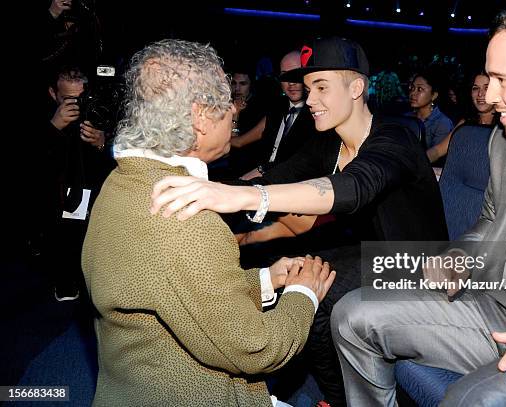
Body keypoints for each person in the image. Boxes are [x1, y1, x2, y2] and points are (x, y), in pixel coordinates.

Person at [331, 0, 506, 405]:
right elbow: (491, 220)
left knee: (467, 401)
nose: (489, 95)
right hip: (499, 307)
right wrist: (459, 255)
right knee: (352, 315)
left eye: (502, 79)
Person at [149, 37, 448, 406]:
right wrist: (190, 178)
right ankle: (335, 394)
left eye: (321, 87)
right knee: (303, 274)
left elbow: (353, 187)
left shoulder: (395, 136)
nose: (309, 100)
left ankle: (340, 399)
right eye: (308, 89)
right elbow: (276, 178)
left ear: (356, 87)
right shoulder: (328, 143)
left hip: (418, 264)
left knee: (317, 294)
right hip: (370, 255)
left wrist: (245, 197)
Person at [81, 39, 336, 406]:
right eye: (227, 101)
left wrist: (267, 278)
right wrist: (303, 293)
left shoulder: (122, 181)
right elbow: (257, 349)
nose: (235, 111)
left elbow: (178, 291)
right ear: (201, 116)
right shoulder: (187, 221)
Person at [41, 65, 112, 301]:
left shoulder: (100, 110)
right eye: (69, 99)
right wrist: (53, 128)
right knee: (66, 240)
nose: (76, 105)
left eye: (81, 98)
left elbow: (118, 159)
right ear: (53, 94)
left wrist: (102, 143)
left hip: (95, 190)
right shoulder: (44, 117)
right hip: (59, 195)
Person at [241, 50, 317, 180]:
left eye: (296, 75)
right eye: (285, 76)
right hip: (257, 176)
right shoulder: (275, 108)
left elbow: (299, 164)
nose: (291, 83)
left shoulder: (317, 115)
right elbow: (246, 145)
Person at [426, 71, 498, 163]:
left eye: (486, 88)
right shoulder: (466, 123)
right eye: (475, 88)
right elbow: (438, 150)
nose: (480, 94)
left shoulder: (503, 125)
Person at [406, 69, 454, 149]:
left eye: (420, 89)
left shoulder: (442, 123)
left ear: (434, 95)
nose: (412, 93)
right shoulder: (406, 117)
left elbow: (435, 155)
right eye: (412, 88)